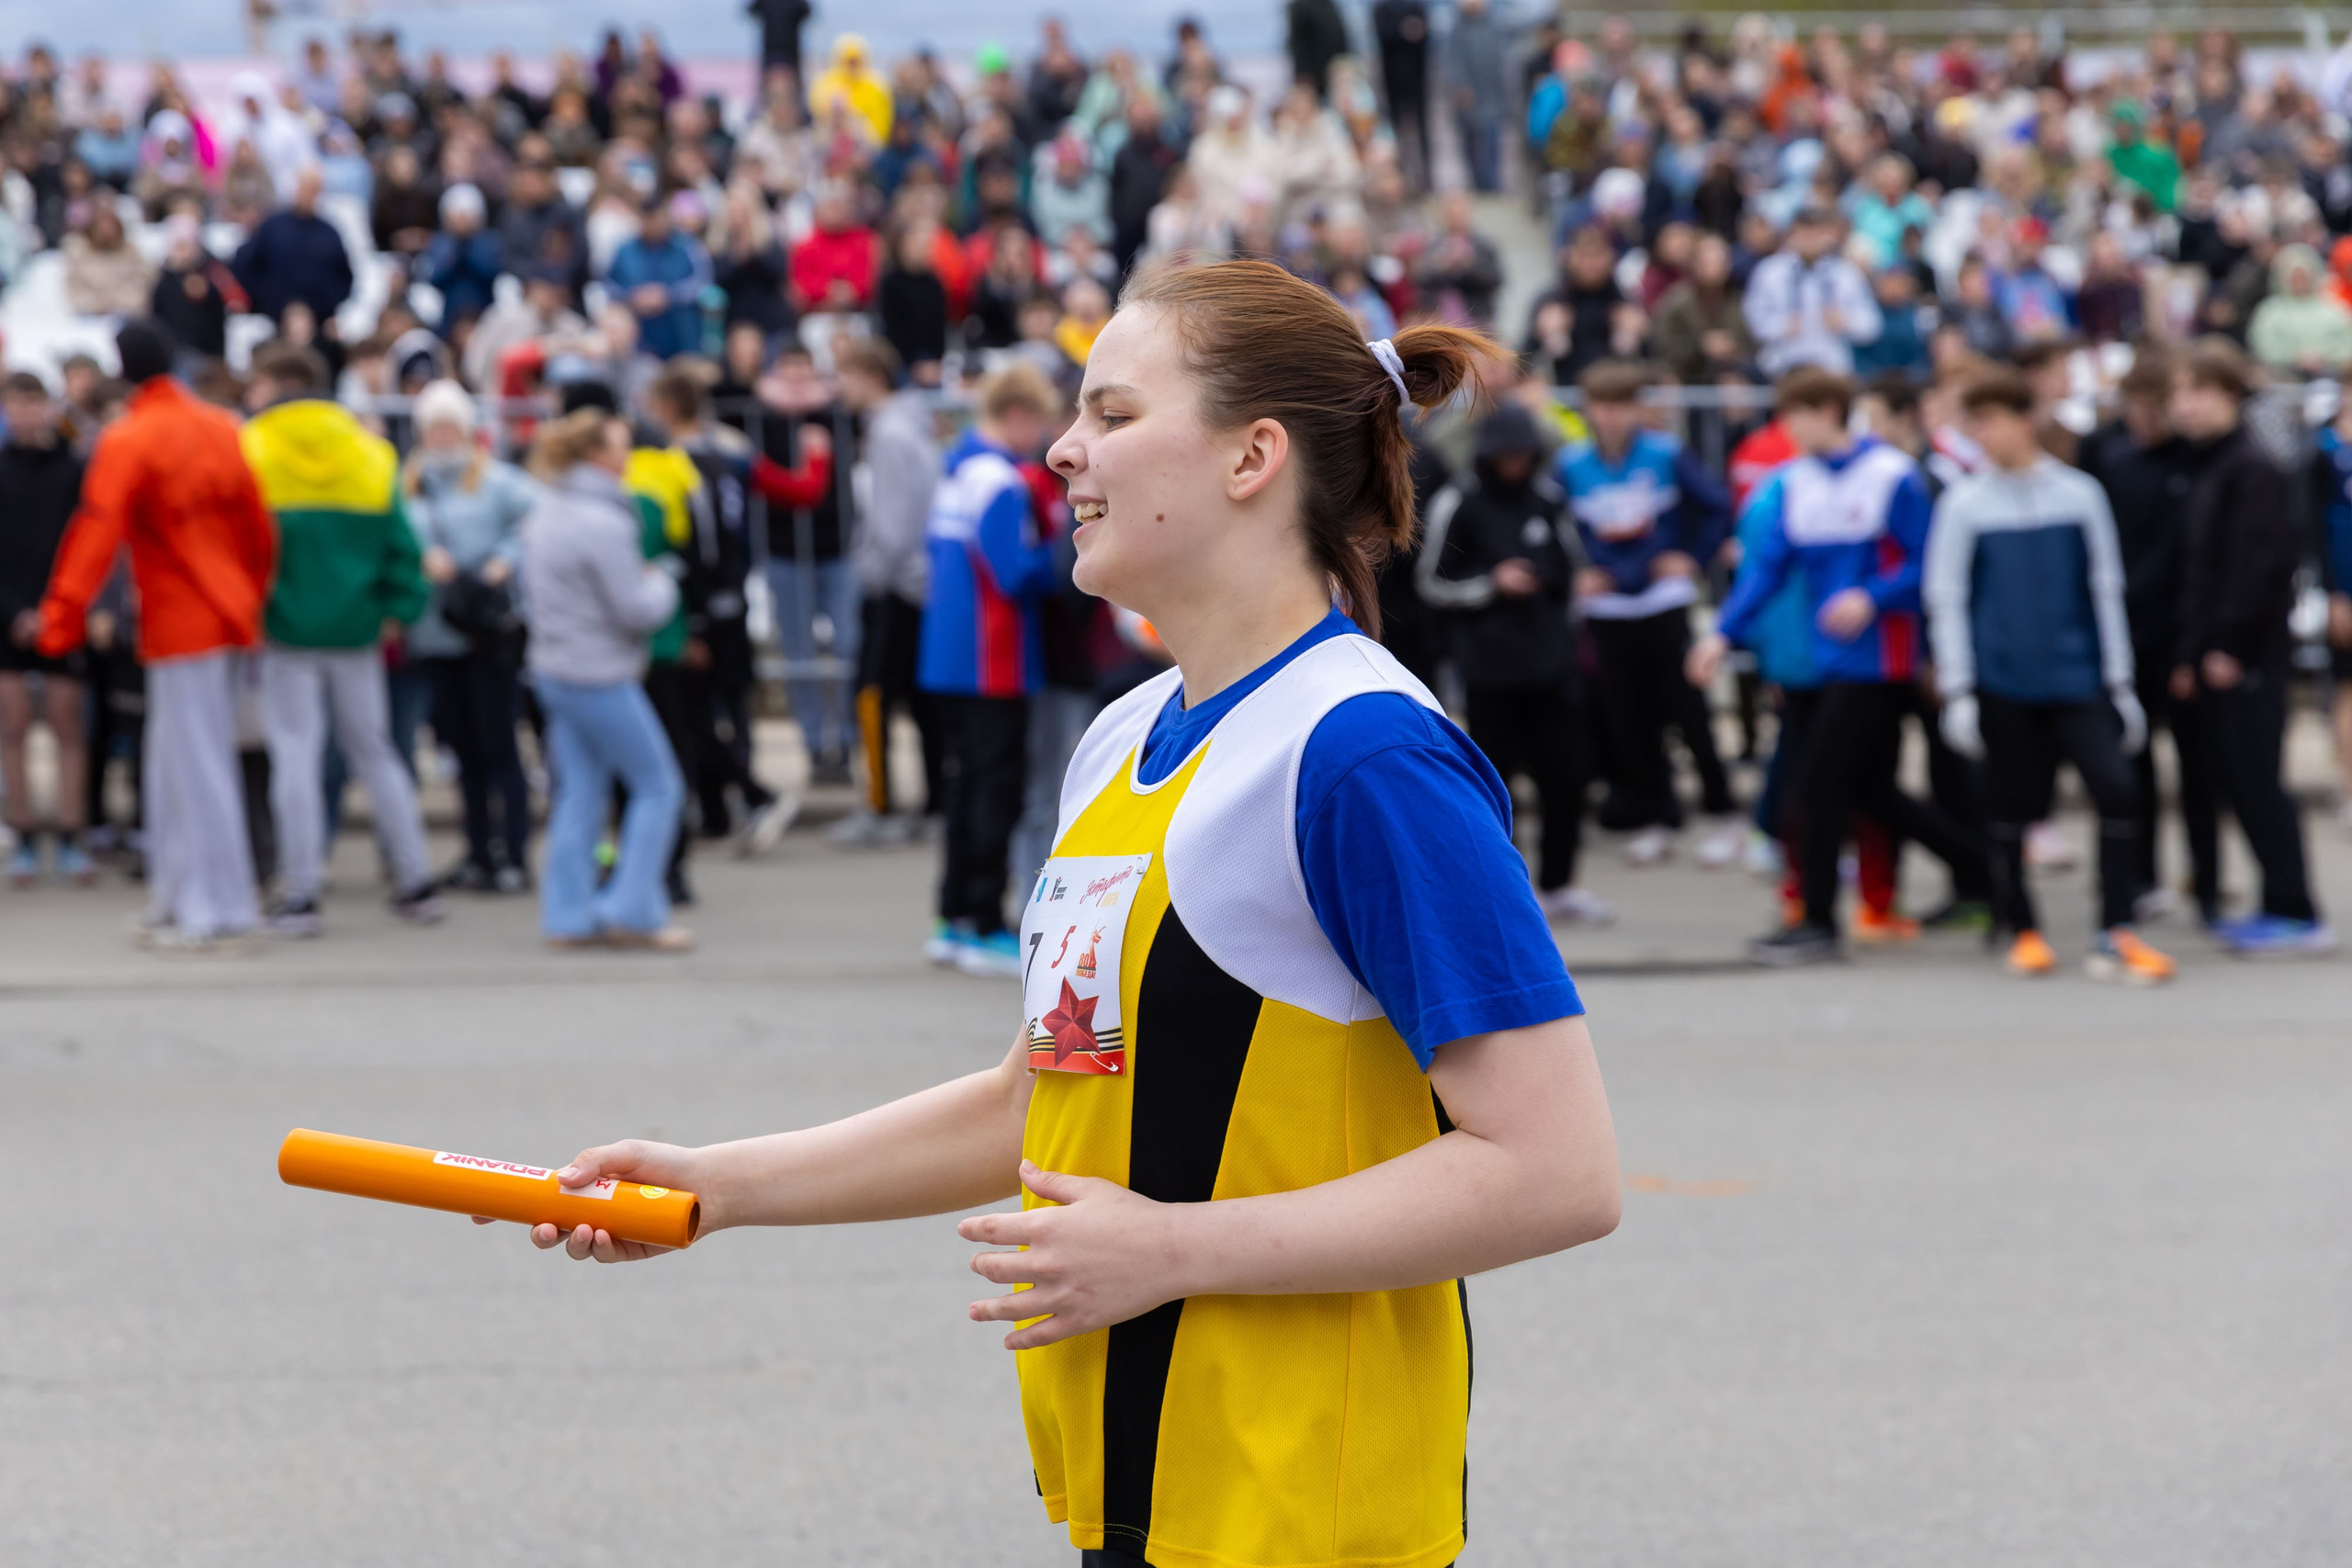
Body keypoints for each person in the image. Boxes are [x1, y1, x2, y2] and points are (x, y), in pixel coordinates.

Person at [489, 259, 1620, 1568]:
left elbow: (1556, 1169)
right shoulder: (1125, 736)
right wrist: (715, 1186)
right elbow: (1037, 1098)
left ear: (1253, 456)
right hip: (1137, 1492)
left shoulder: (1365, 755)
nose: (1064, 450)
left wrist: (1176, 1248)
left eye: (1114, 413)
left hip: (1304, 1510)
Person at [1690, 367, 1984, 965]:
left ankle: (1819, 920)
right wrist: (1721, 634)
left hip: (1880, 660)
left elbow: (1930, 562)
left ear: (1828, 411)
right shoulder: (1796, 482)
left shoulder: (1891, 475)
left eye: (1795, 417)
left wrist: (1871, 597)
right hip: (1828, 660)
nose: (1788, 430)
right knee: (1872, 792)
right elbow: (1766, 568)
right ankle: (1987, 872)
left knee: (1817, 786)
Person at [36, 320, 278, 951]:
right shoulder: (220, 426)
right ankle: (179, 896)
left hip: (180, 619)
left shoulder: (132, 435)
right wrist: (250, 597)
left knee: (194, 764)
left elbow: (96, 528)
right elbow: (257, 526)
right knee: (175, 761)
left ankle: (215, 907)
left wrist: (61, 616)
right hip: (224, 613)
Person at [1924, 371, 2171, 984]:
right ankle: (2022, 926)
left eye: (1990, 420)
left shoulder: (2079, 494)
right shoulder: (1965, 503)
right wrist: (1959, 688)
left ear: (2023, 421)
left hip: (2076, 676)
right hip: (2003, 680)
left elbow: (2104, 587)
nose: (1982, 434)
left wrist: (2119, 682)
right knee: (2010, 806)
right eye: (1974, 422)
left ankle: (2115, 924)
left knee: (2117, 789)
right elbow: (1947, 597)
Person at [240, 343, 442, 935]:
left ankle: (300, 892)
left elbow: (240, 549)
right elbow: (405, 548)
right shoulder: (371, 453)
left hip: (284, 628)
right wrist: (397, 610)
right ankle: (415, 879)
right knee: (375, 752)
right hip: (358, 629)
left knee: (295, 755)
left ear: (276, 383)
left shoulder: (252, 449)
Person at [2168, 341, 2334, 956]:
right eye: (2179, 393)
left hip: (2249, 657)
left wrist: (2228, 645)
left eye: (2197, 391)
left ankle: (2295, 909)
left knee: (2259, 781)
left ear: (2230, 395)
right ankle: (2276, 901)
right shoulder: (2211, 465)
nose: (2185, 406)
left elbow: (2259, 565)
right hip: (2218, 653)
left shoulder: (2253, 468)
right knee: (2239, 782)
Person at [1418, 400, 1608, 923]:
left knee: (1566, 777)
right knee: (1494, 785)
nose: (1517, 465)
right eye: (1508, 456)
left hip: (1552, 666)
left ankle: (1560, 885)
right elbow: (1431, 582)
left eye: (1525, 455)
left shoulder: (1547, 499)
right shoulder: (1459, 501)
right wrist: (1491, 585)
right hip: (1489, 672)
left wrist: (1566, 602)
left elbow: (1573, 568)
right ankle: (1506, 892)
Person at [518, 407, 691, 951]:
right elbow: (636, 608)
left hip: (557, 666)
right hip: (599, 671)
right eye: (620, 446)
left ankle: (568, 915)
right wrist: (663, 582)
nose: (627, 455)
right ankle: (632, 910)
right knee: (659, 786)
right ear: (597, 454)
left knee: (580, 794)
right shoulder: (603, 520)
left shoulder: (547, 510)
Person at [1555, 359, 1739, 866]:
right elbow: (1552, 524)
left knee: (1688, 709)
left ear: (1637, 409)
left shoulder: (1666, 453)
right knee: (1627, 718)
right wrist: (1577, 572)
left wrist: (1692, 558)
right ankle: (1658, 817)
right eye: (1602, 406)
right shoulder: (1570, 463)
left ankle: (1724, 813)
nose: (1611, 416)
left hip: (1663, 600)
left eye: (1621, 405)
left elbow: (1718, 506)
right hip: (1607, 608)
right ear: (1588, 409)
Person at [917, 364, 1057, 975]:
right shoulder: (1000, 479)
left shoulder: (956, 470)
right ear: (1019, 415)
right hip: (991, 659)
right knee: (993, 792)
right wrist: (1062, 549)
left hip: (951, 658)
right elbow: (1014, 573)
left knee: (963, 789)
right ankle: (981, 920)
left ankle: (953, 917)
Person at [2078, 350, 2216, 923]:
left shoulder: (2196, 460)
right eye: (2133, 409)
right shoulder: (2108, 455)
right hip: (2125, 633)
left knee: (2198, 768)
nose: (2143, 421)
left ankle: (2207, 883)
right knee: (2130, 764)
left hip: (2181, 631)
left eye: (2153, 409)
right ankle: (2138, 878)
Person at [401, 379, 538, 892]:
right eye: (433, 428)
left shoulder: (497, 480)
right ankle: (479, 849)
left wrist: (505, 560)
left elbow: (537, 519)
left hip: (486, 632)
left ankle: (515, 851)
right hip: (436, 632)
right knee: (462, 748)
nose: (442, 437)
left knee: (499, 743)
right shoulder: (410, 485)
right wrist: (422, 559)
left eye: (449, 427)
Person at [833, 337, 943, 841]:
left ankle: (879, 808)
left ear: (870, 376)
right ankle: (935, 801)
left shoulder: (889, 431)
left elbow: (894, 526)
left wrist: (871, 574)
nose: (839, 386)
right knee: (921, 697)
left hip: (897, 584)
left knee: (872, 694)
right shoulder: (908, 425)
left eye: (844, 375)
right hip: (915, 580)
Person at [0, 373, 95, 885]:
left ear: (47, 407)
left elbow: (85, 541)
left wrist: (57, 609)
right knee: (12, 724)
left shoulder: (73, 468)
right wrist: (15, 613)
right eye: (15, 405)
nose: (24, 414)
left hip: (63, 609)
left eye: (32, 404)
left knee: (66, 721)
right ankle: (23, 833)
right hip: (8, 616)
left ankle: (71, 833)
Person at [1744, 207, 1882, 375]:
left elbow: (1872, 325)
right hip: (1784, 364)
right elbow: (1753, 321)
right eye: (1804, 235)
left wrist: (1846, 321)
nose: (1810, 242)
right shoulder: (1770, 272)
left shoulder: (1846, 273)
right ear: (1791, 235)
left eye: (1816, 235)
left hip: (1832, 365)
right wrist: (1781, 326)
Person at [2307, 368, 2352, 835]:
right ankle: (2349, 787)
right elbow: (2313, 528)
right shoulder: (2324, 450)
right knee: (2346, 690)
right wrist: (2332, 593)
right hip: (2344, 588)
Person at [232, 167, 355, 329]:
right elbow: (245, 263)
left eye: (313, 189)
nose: (308, 193)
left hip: (318, 323)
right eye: (304, 187)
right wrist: (264, 299)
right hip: (274, 320)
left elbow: (343, 278)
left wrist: (326, 308)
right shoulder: (273, 226)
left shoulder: (328, 233)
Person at [607, 193, 714, 361]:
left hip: (681, 336)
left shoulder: (687, 247)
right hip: (638, 340)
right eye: (648, 219)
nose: (653, 224)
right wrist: (632, 297)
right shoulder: (624, 250)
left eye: (657, 218)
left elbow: (703, 283)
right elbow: (608, 285)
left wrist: (669, 295)